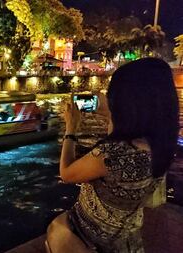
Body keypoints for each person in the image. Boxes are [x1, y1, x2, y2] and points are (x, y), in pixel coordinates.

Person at [45, 58, 179, 253]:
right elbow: (123, 141)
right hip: (127, 239)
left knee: (56, 227)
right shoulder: (161, 145)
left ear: (128, 103)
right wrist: (110, 116)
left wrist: (71, 129)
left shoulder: (111, 155)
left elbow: (66, 173)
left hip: (91, 236)